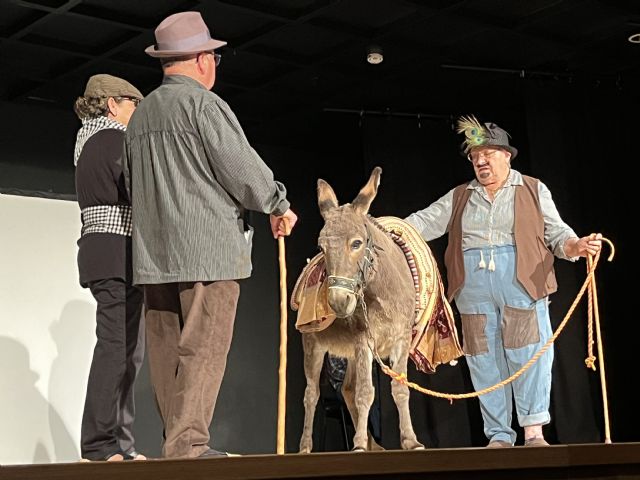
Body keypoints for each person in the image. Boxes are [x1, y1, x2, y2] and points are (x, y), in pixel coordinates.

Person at [123, 11, 298, 459]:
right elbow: (241, 169)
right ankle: (187, 446)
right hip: (207, 253)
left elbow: (129, 182)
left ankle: (177, 443)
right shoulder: (204, 106)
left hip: (153, 257)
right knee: (203, 349)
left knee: (166, 355)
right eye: (215, 56)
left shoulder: (140, 116)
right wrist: (277, 203)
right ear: (202, 59)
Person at [405, 115, 602, 448]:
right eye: (474, 157)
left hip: (521, 281)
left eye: (488, 154)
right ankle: (498, 435)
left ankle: (534, 431)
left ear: (507, 155)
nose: (480, 162)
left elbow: (557, 233)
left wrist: (577, 246)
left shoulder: (533, 189)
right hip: (473, 287)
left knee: (528, 355)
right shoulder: (460, 196)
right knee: (484, 360)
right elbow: (422, 222)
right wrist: (389, 228)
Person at [73, 74, 146, 461]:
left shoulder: (89, 140)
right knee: (118, 349)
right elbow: (140, 192)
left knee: (127, 351)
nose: (138, 113)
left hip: (110, 253)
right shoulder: (113, 139)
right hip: (115, 253)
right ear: (113, 104)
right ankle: (101, 445)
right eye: (134, 105)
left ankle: (118, 442)